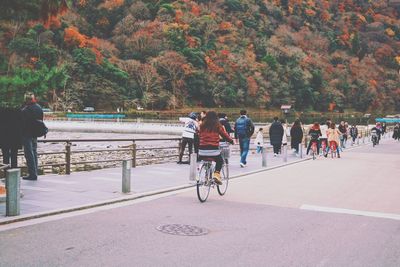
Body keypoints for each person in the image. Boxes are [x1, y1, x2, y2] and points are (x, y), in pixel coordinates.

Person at [198, 111, 234, 185]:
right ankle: (216, 175)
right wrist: (231, 141)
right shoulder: (217, 125)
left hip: (201, 150)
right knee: (219, 160)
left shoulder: (202, 125)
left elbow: (198, 134)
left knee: (206, 160)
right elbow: (224, 135)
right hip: (213, 149)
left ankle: (206, 177)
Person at [21, 92, 44, 180]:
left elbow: (22, 123)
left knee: (29, 154)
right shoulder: (38, 107)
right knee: (34, 152)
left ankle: (32, 174)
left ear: (26, 99)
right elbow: (41, 120)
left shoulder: (25, 110)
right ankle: (35, 173)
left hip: (27, 134)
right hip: (35, 133)